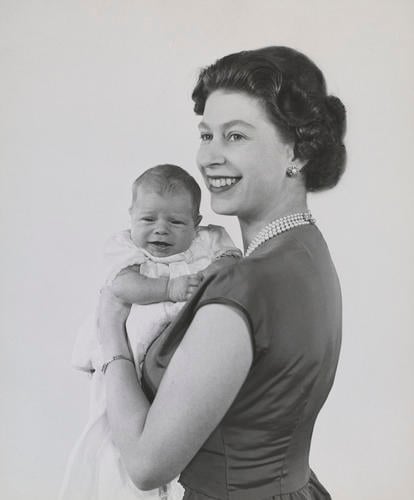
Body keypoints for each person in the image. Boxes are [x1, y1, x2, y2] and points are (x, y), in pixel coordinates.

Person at [97, 46, 346, 500]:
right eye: (206, 135)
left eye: (236, 136)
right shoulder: (307, 252)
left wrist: (109, 331)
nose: (210, 157)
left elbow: (146, 465)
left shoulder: (243, 284)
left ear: (298, 153)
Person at [59, 164, 241, 500]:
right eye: (148, 220)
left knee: (168, 431)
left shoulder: (208, 240)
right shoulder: (125, 247)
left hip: (174, 358)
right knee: (112, 429)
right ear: (131, 216)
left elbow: (231, 263)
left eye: (175, 222)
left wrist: (210, 270)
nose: (160, 230)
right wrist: (171, 288)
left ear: (196, 223)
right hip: (127, 345)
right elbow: (123, 286)